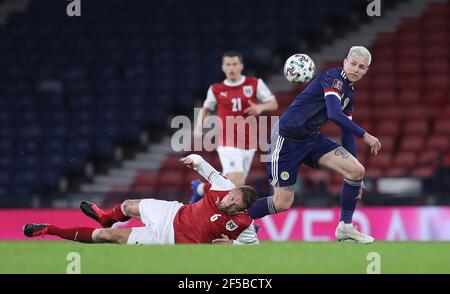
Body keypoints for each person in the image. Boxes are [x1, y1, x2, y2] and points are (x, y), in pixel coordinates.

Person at [246, 46, 381, 243]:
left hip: (310, 138)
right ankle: (237, 219)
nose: (355, 69)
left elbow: (346, 133)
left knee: (356, 171)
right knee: (282, 202)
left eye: (361, 67)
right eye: (353, 63)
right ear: (345, 62)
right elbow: (334, 114)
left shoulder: (350, 94)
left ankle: (345, 227)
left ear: (366, 70)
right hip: (287, 137)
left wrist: (353, 165)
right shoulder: (333, 78)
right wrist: (365, 134)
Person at [23, 154, 259, 245]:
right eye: (230, 196)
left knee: (107, 236)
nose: (227, 201)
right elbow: (207, 170)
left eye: (233, 203)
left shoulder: (245, 225)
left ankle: (49, 229)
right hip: (172, 213)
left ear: (241, 209)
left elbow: (255, 251)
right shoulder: (225, 186)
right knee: (127, 205)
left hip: (169, 242)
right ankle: (105, 217)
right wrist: (195, 159)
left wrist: (234, 245)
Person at [191, 50, 278, 203]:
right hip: (227, 140)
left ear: (241, 66)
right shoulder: (216, 89)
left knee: (229, 184)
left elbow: (273, 103)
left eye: (234, 64)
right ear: (223, 67)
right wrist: (199, 127)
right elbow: (206, 109)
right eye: (228, 64)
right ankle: (242, 224)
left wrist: (260, 108)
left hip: (248, 142)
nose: (231, 68)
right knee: (238, 182)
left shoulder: (254, 84)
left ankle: (200, 189)